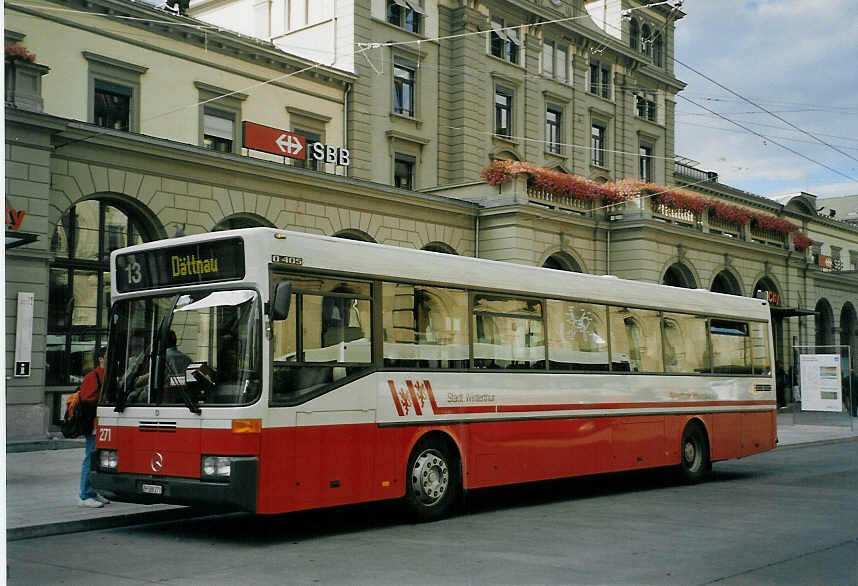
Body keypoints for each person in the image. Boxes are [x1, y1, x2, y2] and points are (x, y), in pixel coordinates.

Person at [78, 347, 109, 508]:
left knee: (97, 458)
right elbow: (87, 401)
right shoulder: (93, 376)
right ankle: (84, 495)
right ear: (100, 359)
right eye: (108, 356)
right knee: (90, 457)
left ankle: (93, 491)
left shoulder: (106, 375)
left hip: (102, 423)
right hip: (93, 424)